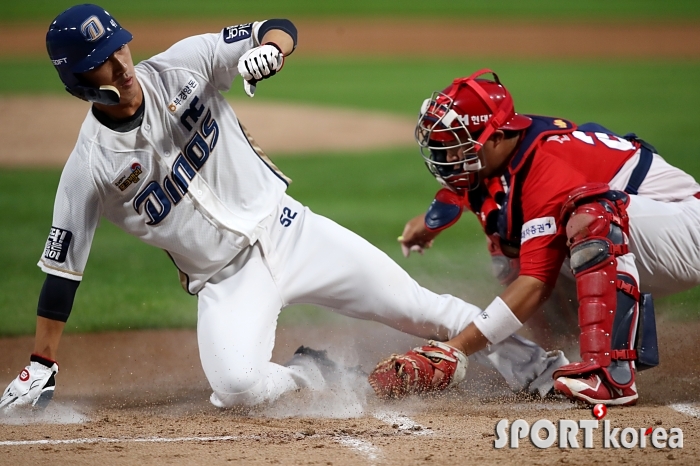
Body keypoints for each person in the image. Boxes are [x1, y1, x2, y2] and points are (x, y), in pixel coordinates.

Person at [0, 6, 566, 411]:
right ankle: (311, 374)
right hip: (225, 280)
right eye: (102, 60)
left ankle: (543, 373)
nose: (122, 64)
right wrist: (42, 361)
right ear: (79, 82)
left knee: (419, 307)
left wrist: (270, 50)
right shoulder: (89, 167)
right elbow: (61, 271)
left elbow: (278, 26)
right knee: (237, 388)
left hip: (291, 230)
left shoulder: (183, 64)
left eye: (119, 46)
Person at [372, 68, 700, 406]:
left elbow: (536, 282)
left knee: (591, 218)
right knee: (509, 251)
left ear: (496, 137)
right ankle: (558, 360)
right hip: (645, 239)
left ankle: (611, 376)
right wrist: (428, 224)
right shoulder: (505, 151)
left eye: (458, 148)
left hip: (687, 232)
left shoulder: (547, 163)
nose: (450, 159)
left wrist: (455, 350)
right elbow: (469, 188)